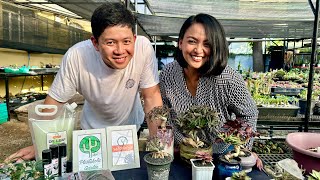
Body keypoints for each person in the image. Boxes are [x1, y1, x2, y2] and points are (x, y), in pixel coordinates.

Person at [5, 2, 162, 162]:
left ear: (134, 39)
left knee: (126, 171)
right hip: (92, 131)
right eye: (110, 42)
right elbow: (54, 104)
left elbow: (151, 96)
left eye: (126, 41)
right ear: (95, 42)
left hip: (129, 130)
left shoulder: (143, 48)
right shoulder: (77, 56)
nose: (120, 51)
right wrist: (39, 145)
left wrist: (159, 143)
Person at [159, 14, 263, 169]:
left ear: (216, 47)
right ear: (180, 43)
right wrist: (177, 142)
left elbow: (249, 113)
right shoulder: (168, 73)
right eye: (192, 41)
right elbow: (164, 114)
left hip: (221, 156)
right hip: (183, 153)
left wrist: (242, 149)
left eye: (207, 44)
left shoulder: (227, 78)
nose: (198, 50)